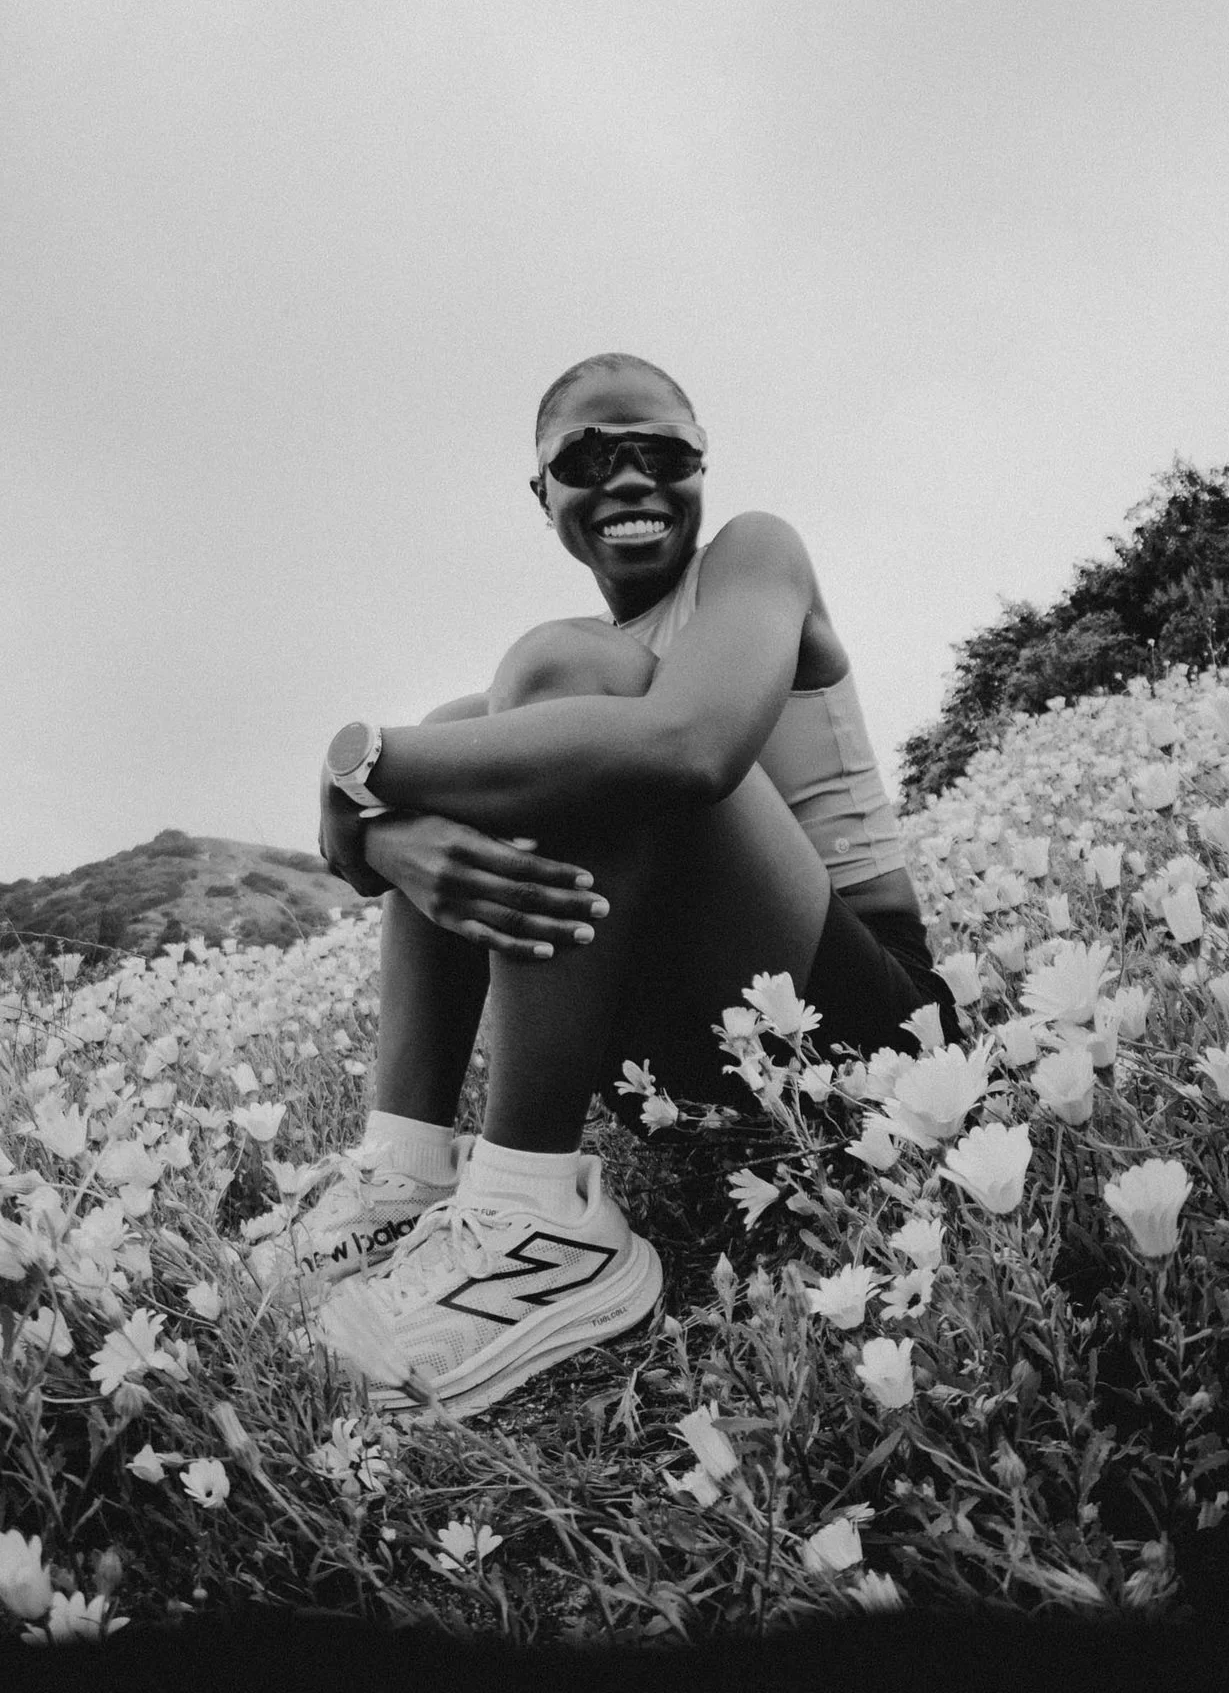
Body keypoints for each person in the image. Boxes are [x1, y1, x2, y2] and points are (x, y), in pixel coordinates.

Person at [263, 352, 956, 1417]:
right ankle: (403, 1175)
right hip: (691, 1089)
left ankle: (541, 1220)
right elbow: (359, 854)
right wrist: (392, 830)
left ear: (703, 466)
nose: (629, 476)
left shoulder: (754, 558)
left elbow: (690, 749)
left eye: (662, 451)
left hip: (871, 1049)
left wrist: (354, 771)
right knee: (470, 728)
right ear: (542, 495)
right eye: (587, 457)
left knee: (539, 691)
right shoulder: (572, 672)